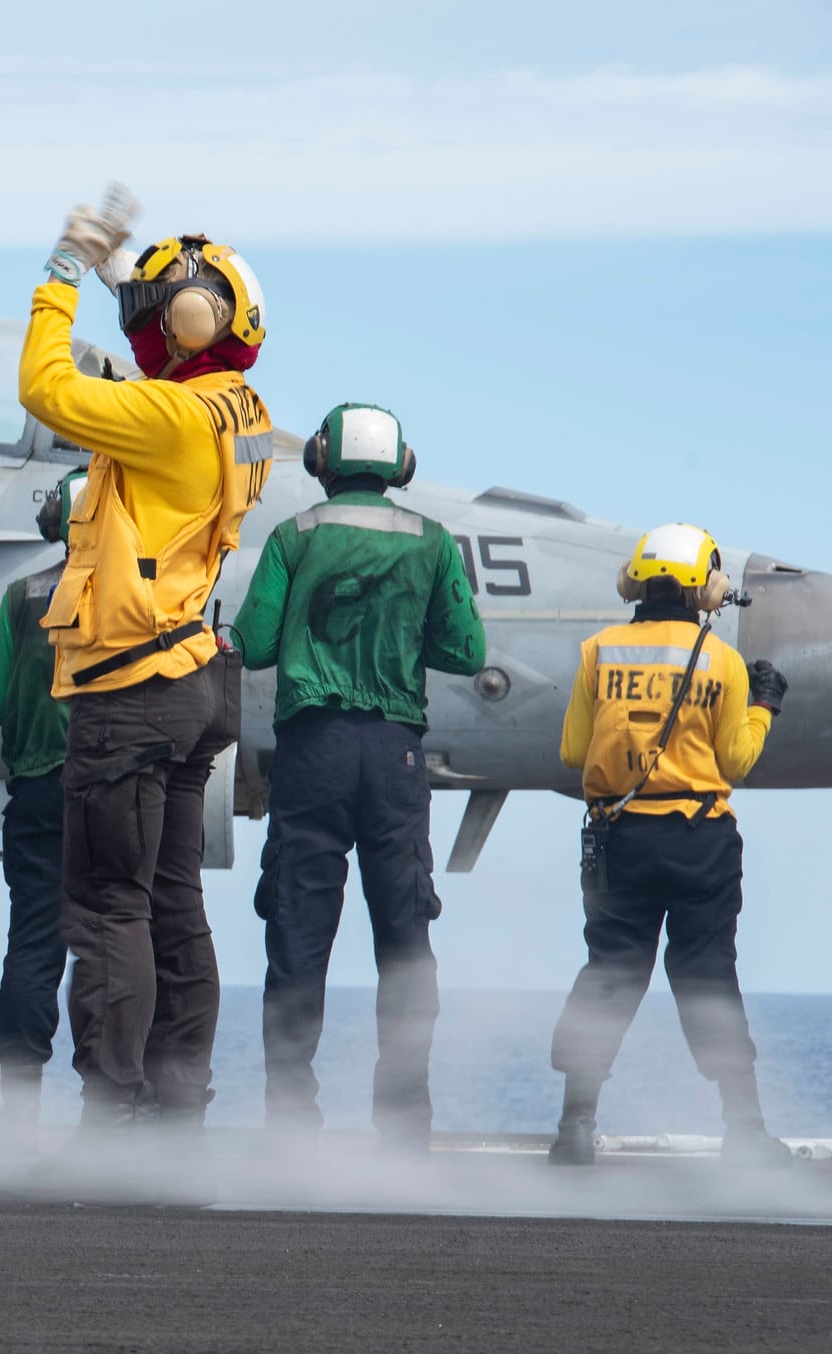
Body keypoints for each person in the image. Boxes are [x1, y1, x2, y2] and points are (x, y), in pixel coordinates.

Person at [15, 186, 275, 1146]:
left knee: (106, 911)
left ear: (194, 318)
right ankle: (172, 1122)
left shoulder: (169, 419)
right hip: (194, 677)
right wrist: (132, 282)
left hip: (128, 688)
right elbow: (160, 369)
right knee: (171, 904)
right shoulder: (237, 410)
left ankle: (106, 1129)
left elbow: (45, 391)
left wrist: (61, 276)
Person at [231, 404, 486, 1154]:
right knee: (404, 940)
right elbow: (466, 650)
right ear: (399, 465)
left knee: (297, 937)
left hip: (311, 753)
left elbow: (248, 646)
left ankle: (289, 1124)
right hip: (394, 756)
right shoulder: (429, 540)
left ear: (320, 459)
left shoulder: (292, 534)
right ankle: (403, 1130)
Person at [546, 523, 793, 1168]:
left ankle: (575, 1127)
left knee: (610, 973)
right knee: (708, 975)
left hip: (618, 838)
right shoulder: (723, 662)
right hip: (700, 841)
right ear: (705, 587)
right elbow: (735, 760)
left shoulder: (598, 651)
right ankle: (745, 1133)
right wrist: (764, 704)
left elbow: (574, 752)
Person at [0, 466, 85, 1150]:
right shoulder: (143, 586)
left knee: (32, 946)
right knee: (117, 942)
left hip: (39, 791)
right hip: (117, 791)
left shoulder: (22, 594)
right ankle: (114, 1111)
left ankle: (18, 1118)